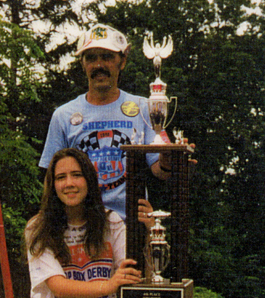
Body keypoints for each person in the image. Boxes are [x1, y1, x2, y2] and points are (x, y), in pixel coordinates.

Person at [39, 24, 173, 222]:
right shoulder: (63, 115)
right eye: (91, 58)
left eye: (107, 57)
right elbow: (51, 181)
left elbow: (161, 172)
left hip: (131, 225)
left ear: (123, 61)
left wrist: (170, 156)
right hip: (81, 226)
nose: (99, 65)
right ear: (83, 64)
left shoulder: (144, 107)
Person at [25, 148, 149, 298]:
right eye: (61, 177)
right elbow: (59, 287)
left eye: (77, 175)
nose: (69, 183)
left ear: (89, 180)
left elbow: (133, 273)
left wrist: (151, 232)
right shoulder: (37, 227)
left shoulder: (111, 222)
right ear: (52, 185)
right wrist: (108, 285)